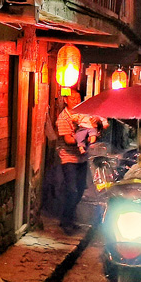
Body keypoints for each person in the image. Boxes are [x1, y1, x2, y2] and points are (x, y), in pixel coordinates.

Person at [55, 90, 91, 233]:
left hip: (82, 157)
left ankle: (69, 218)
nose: (76, 101)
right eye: (72, 98)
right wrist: (83, 135)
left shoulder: (82, 115)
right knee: (72, 190)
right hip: (68, 158)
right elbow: (68, 140)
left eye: (78, 98)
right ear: (65, 100)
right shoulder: (63, 118)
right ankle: (66, 221)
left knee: (80, 189)